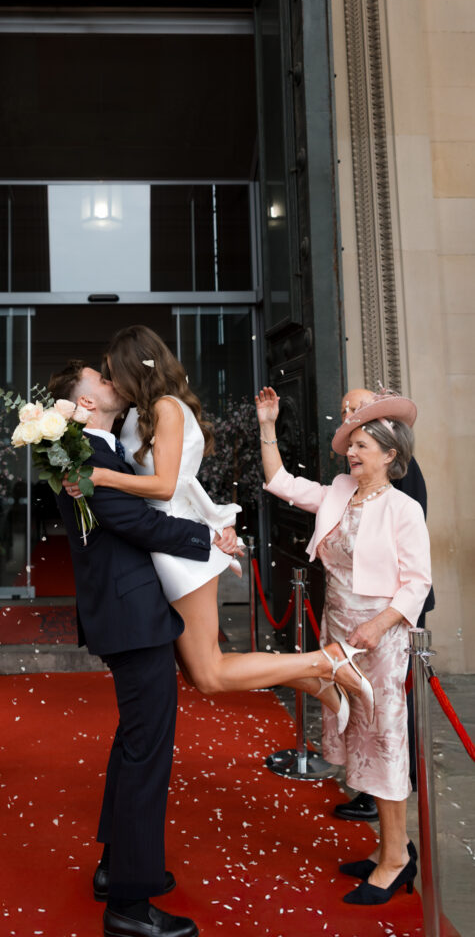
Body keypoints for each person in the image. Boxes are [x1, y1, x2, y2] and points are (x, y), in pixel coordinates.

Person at [63, 326, 367, 724]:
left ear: (134, 367)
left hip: (179, 545)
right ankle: (315, 679)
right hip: (161, 542)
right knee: (197, 674)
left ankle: (325, 662)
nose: (112, 381)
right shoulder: (136, 414)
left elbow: (166, 485)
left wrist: (102, 477)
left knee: (208, 673)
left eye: (113, 372)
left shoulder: (167, 408)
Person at [49, 360, 219, 937]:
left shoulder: (98, 450)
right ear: (85, 403)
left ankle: (113, 868)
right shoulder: (82, 457)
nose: (112, 380)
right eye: (100, 379)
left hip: (128, 613)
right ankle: (129, 904)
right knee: (148, 752)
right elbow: (137, 523)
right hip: (132, 617)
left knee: (133, 744)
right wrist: (210, 537)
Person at [256, 385, 432, 905]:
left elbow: (417, 583)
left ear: (390, 454)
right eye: (350, 444)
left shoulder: (403, 508)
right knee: (358, 739)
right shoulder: (338, 492)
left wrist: (377, 627)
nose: (351, 452)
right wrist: (268, 425)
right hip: (337, 631)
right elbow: (280, 482)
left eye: (361, 445)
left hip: (379, 638)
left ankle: (396, 860)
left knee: (384, 742)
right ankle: (388, 848)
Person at [334, 388, 436, 824]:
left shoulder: (400, 490)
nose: (348, 416)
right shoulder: (351, 476)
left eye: (356, 409)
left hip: (392, 609)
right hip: (358, 614)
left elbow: (412, 565)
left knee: (390, 711)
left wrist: (380, 620)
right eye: (344, 411)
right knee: (365, 709)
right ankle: (370, 788)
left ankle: (390, 798)